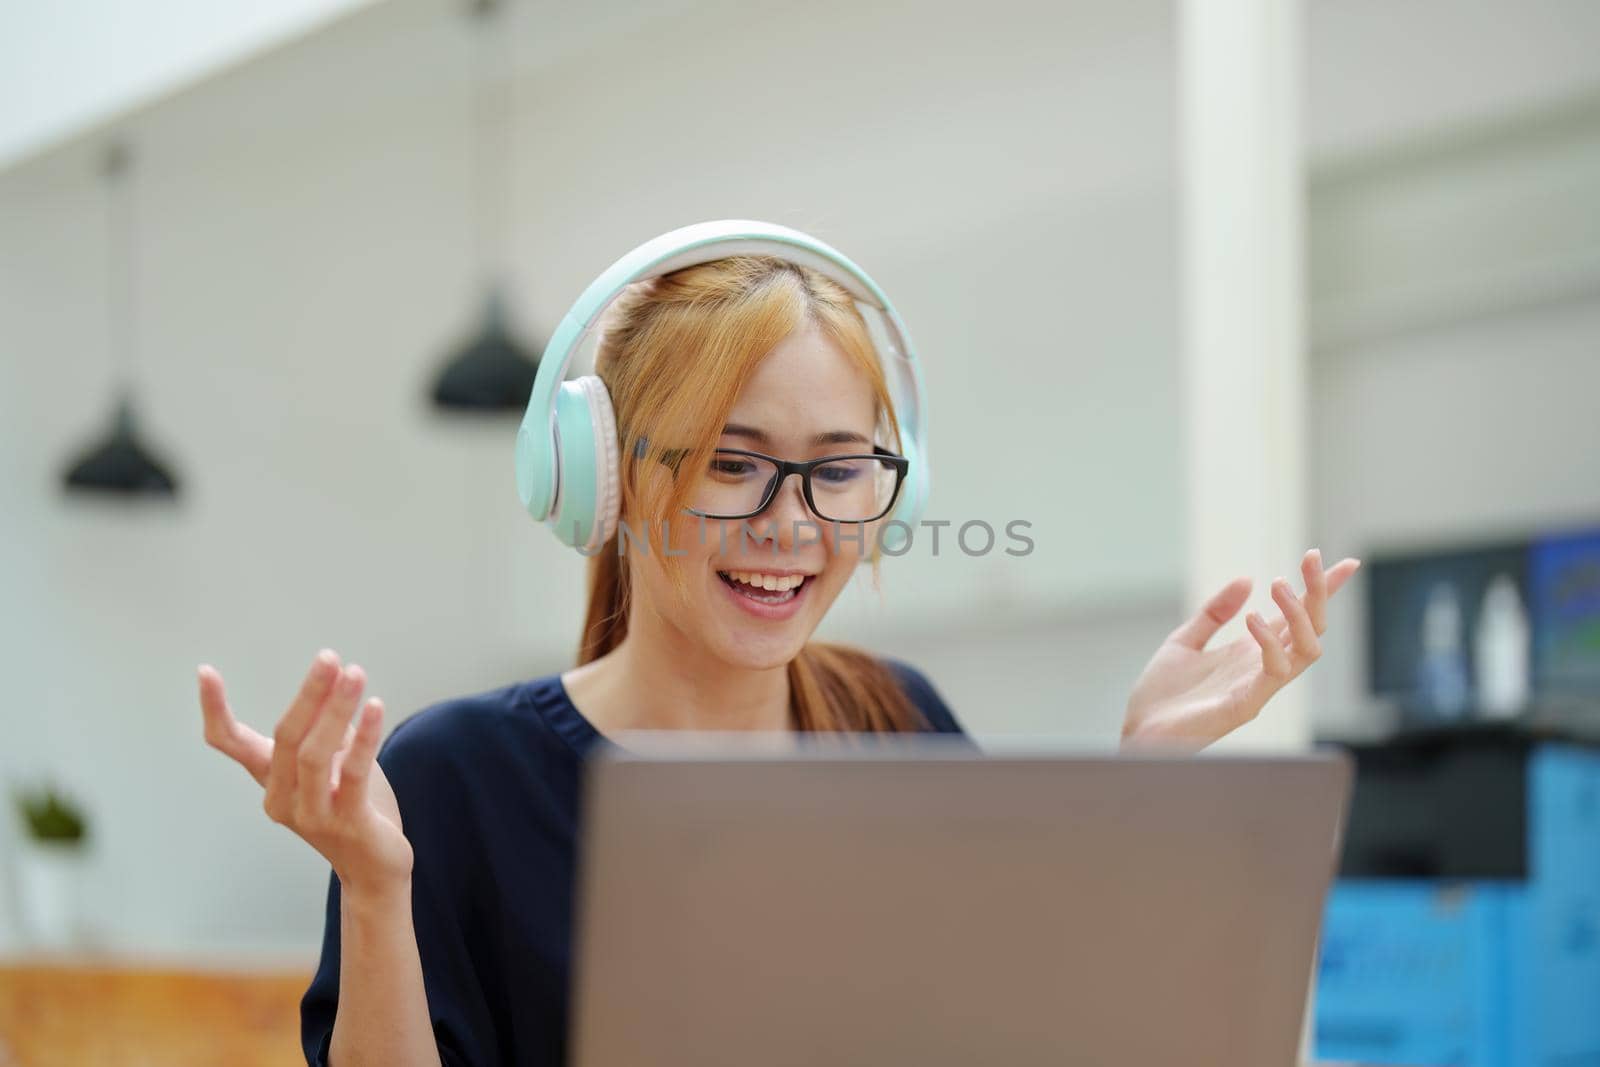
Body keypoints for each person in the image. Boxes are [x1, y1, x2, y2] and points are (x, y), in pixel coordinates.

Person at [196, 246, 1359, 1067]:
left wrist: (1139, 777)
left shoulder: (896, 721)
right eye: (732, 460)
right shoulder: (457, 776)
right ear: (608, 478)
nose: (791, 521)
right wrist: (376, 888)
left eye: (838, 465)